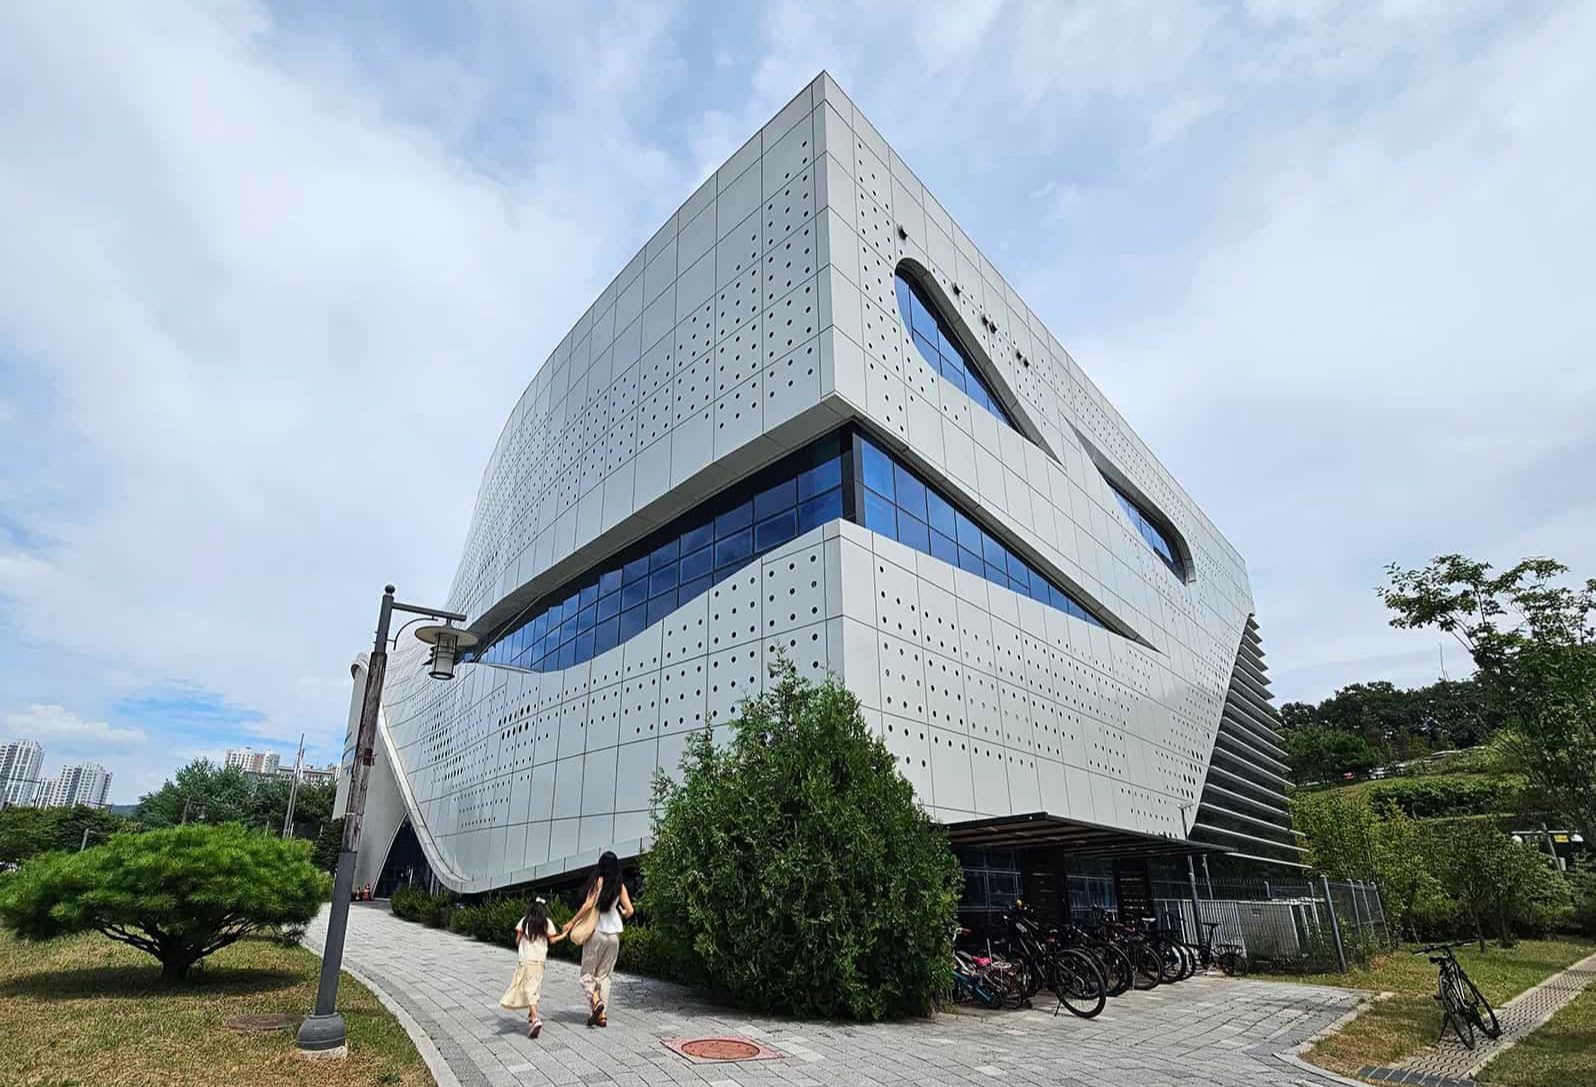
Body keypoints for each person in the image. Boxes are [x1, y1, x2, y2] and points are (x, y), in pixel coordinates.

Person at [560, 851, 632, 1027]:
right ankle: (602, 1015)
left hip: (597, 933)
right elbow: (630, 911)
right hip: (614, 936)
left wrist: (572, 922)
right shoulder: (620, 886)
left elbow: (588, 905)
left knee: (587, 974)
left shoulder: (599, 881)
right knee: (604, 976)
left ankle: (595, 1001)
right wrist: (622, 912)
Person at [500, 895, 563, 1038]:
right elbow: (553, 940)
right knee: (534, 987)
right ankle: (531, 1015)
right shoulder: (547, 922)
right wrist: (564, 934)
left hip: (526, 959)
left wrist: (522, 941)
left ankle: (535, 1018)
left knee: (528, 988)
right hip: (540, 961)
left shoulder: (524, 921)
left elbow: (517, 940)